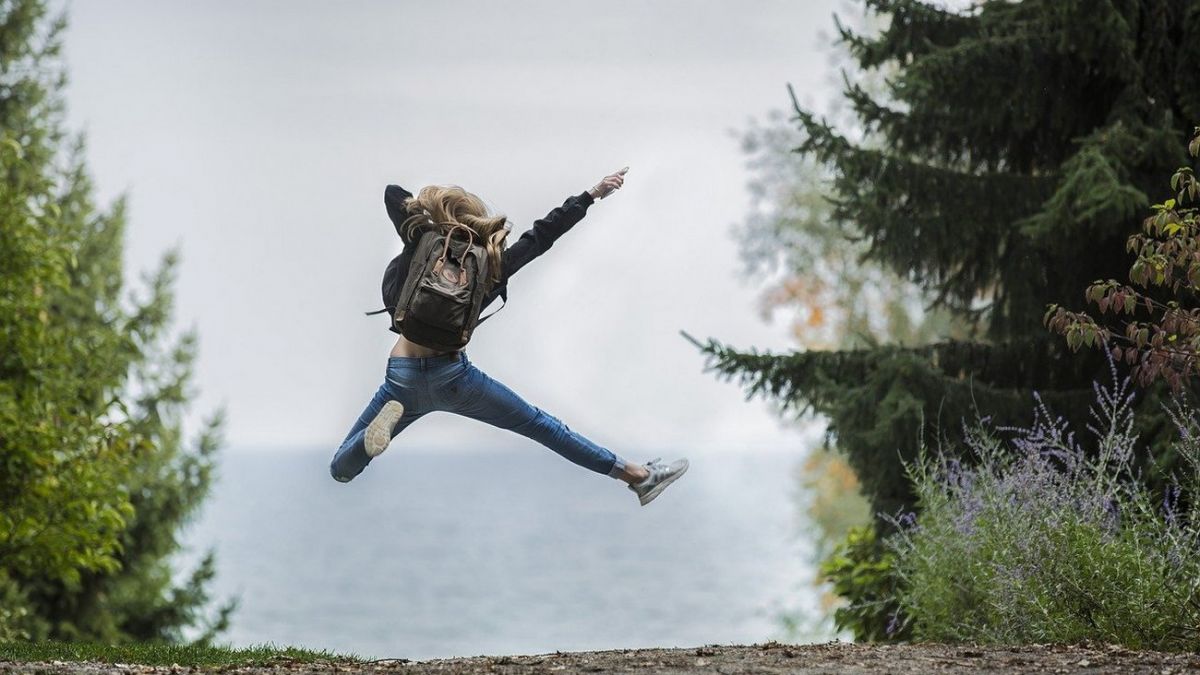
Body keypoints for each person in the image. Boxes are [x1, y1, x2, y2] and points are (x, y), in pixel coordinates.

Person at [329, 167, 689, 506]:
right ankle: (638, 477)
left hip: (402, 377)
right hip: (454, 378)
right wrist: (591, 195)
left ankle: (367, 443)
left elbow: (394, 193)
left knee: (340, 470)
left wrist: (432, 218)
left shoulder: (422, 241)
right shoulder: (490, 264)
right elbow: (541, 237)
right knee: (542, 426)